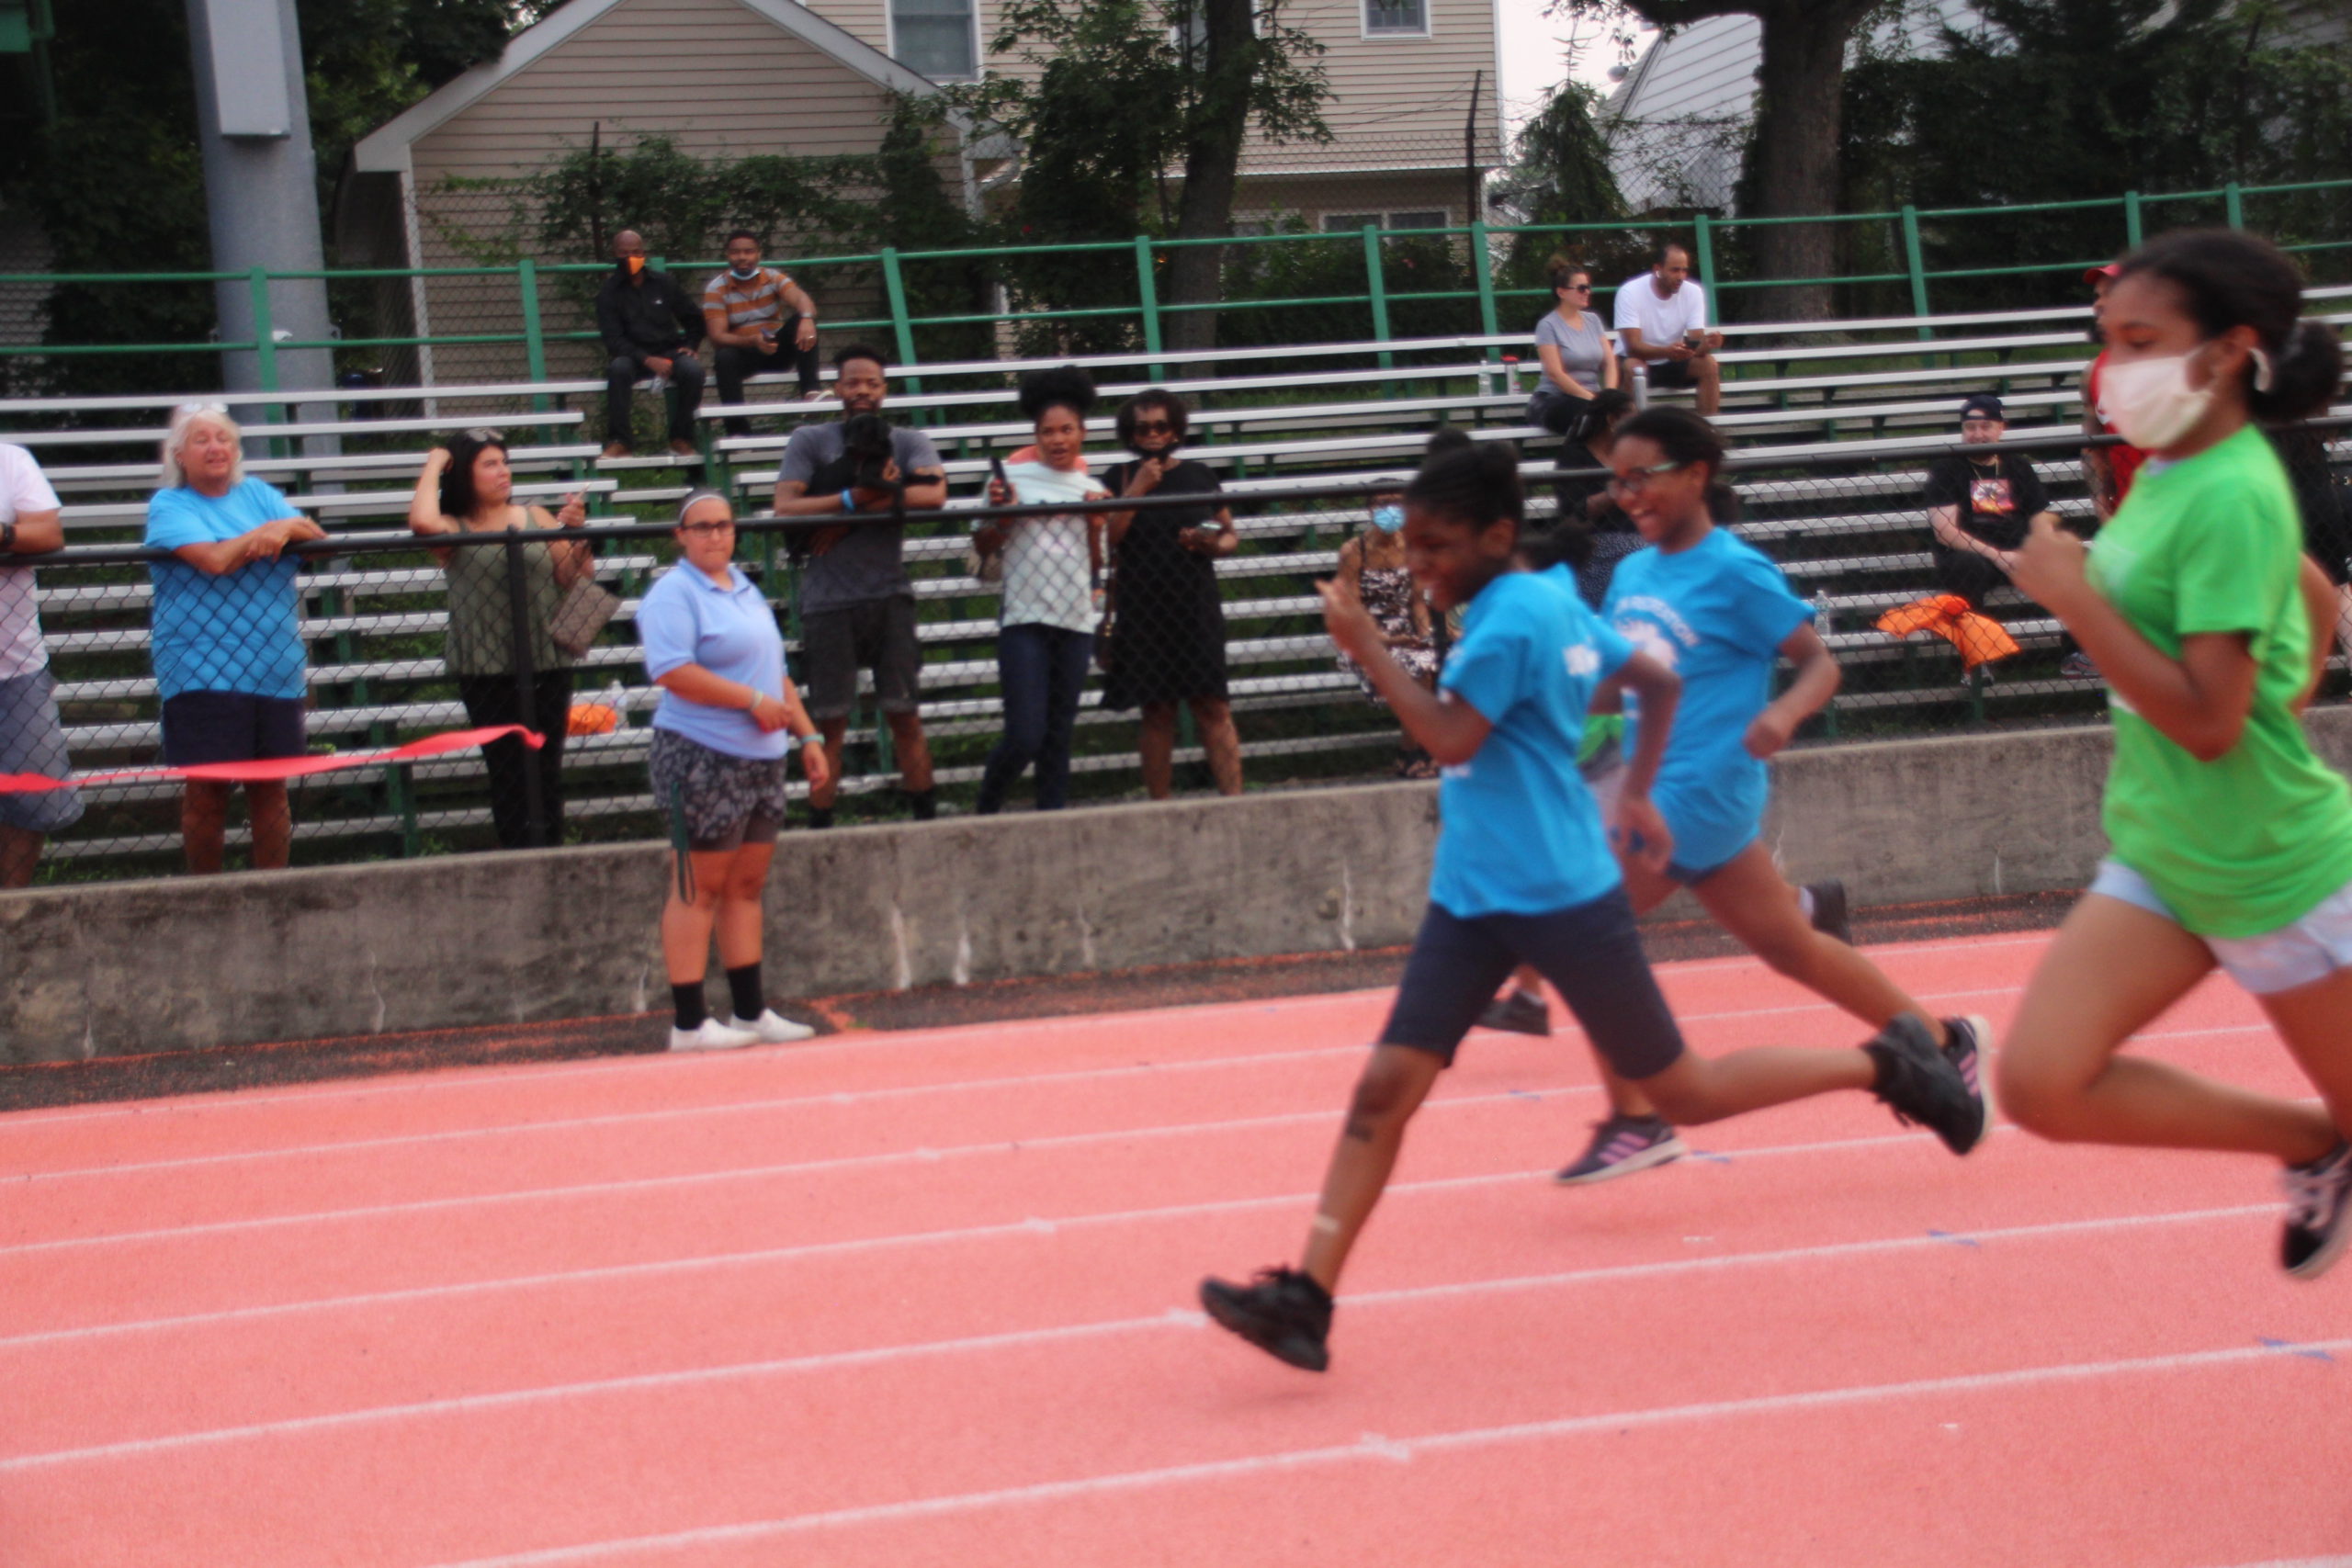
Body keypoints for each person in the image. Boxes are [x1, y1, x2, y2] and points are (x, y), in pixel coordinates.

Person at [1197, 438, 1984, 1373]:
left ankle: (1884, 1065)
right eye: (1412, 544)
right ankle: (1308, 1298)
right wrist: (1639, 787)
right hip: (1472, 899)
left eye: (1438, 546)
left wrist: (1366, 646)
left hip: (1565, 896)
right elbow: (1653, 680)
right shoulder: (1543, 599)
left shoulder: (1510, 622)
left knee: (1685, 1092)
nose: (1420, 564)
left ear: (1498, 534)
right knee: (1384, 1089)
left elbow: (1451, 737)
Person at [1503, 407, 1988, 1183]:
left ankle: (1638, 1115)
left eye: (1643, 476)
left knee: (1583, 924)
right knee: (1793, 946)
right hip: (1661, 786)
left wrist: (1784, 713)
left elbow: (1819, 663)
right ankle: (1944, 1041)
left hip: (1699, 790)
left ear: (1696, 473)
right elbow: (1623, 682)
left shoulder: (1736, 570)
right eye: (1617, 481)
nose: (1628, 494)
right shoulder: (1632, 573)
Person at [2002, 227, 2352, 1280]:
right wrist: (2287, 680)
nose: (2112, 365)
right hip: (2167, 846)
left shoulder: (2232, 489)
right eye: (2107, 338)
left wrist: (2070, 600)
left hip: (2277, 868)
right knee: (2040, 1084)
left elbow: (2206, 722)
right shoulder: (2170, 468)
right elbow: (2310, 593)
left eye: (2140, 340)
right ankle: (2316, 1145)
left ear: (2229, 349)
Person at [639, 491, 829, 1052]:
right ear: (681, 535)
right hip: (700, 754)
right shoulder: (673, 592)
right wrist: (750, 701)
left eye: (723, 525)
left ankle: (750, 1012)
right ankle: (689, 1023)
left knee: (746, 886)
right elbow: (672, 671)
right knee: (696, 888)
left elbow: (775, 672)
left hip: (762, 758)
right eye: (702, 527)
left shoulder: (743, 588)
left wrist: (808, 735)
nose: (715, 536)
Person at [144, 404, 323, 874]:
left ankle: (272, 889)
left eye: (223, 438)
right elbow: (215, 560)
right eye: (201, 439)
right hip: (202, 668)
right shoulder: (170, 505)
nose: (215, 448)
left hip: (274, 665)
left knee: (271, 788)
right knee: (209, 788)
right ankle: (208, 892)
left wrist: (284, 527)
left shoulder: (259, 494)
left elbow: (314, 538)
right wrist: (268, 533)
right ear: (179, 454)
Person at [770, 344, 945, 826]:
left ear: (884, 389)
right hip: (828, 601)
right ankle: (821, 828)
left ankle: (926, 821)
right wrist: (854, 497)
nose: (862, 390)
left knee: (905, 714)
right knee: (830, 723)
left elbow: (934, 494)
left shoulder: (907, 441)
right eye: (852, 382)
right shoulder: (810, 439)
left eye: (872, 382)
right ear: (838, 388)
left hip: (889, 594)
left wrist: (851, 513)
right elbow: (785, 507)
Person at [408, 432, 595, 850]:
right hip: (485, 666)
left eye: (504, 462)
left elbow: (575, 576)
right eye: (490, 464)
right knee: (506, 771)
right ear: (465, 475)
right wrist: (436, 460)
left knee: (547, 767)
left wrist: (578, 534)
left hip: (547, 658)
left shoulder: (536, 516)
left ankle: (551, 855)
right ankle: (517, 858)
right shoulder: (455, 527)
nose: (503, 472)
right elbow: (422, 522)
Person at [973, 367, 1108, 815]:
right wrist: (1003, 517)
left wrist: (1095, 526)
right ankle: (987, 806)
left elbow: (1097, 565)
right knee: (1025, 734)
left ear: (1083, 432)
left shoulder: (1093, 489)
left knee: (1058, 736)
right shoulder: (1010, 480)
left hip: (1075, 619)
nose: (1058, 439)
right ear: (1036, 435)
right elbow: (982, 545)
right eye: (1048, 431)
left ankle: (1052, 819)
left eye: (1067, 429)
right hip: (1024, 618)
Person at [1097, 389, 1243, 800]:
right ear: (1130, 434)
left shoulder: (1199, 475)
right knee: (1157, 711)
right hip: (1142, 608)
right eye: (1142, 428)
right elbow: (1108, 539)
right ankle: (1159, 809)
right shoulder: (1116, 477)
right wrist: (1137, 489)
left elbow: (1230, 534)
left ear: (1176, 429)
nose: (1153, 435)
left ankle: (1235, 804)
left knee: (1212, 706)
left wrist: (1210, 543)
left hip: (1196, 604)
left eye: (1161, 426)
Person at [0, 441, 81, 886]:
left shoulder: (10, 460)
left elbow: (49, 535)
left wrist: (3, 535)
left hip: (17, 667)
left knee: (35, 800)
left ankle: (11, 908)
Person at [1333, 484, 1439, 778]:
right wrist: (1387, 640)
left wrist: (1423, 635)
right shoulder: (1354, 551)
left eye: (1396, 503)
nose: (1389, 510)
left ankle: (1415, 750)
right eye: (1381, 503)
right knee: (1417, 668)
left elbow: (1417, 602)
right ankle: (1416, 752)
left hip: (1405, 626)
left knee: (1436, 658)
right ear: (1369, 509)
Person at [1922, 393, 2061, 611]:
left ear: (2000, 428)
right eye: (1970, 427)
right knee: (1966, 566)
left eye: (1986, 427)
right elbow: (1945, 531)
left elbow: (2040, 517)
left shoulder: (2018, 465)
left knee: (2076, 557)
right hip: (1973, 556)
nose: (1978, 435)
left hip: (2018, 553)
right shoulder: (1946, 468)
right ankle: (1974, 631)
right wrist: (1998, 556)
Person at [594, 229, 706, 460]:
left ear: (644, 253)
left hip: (669, 351)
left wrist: (690, 345)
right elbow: (613, 340)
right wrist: (647, 360)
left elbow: (694, 318)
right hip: (632, 357)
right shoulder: (608, 292)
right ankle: (620, 441)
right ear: (615, 254)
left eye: (636, 252)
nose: (631, 258)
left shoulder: (664, 283)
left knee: (693, 370)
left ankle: (681, 438)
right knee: (618, 369)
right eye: (624, 253)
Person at [704, 231, 822, 434]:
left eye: (749, 251)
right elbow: (717, 337)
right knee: (724, 356)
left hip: (777, 350)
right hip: (745, 354)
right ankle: (738, 433)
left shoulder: (773, 277)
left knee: (803, 322)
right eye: (736, 252)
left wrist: (806, 318)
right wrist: (753, 341)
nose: (742, 257)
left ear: (759, 254)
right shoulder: (716, 288)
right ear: (727, 255)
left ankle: (811, 391)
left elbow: (801, 299)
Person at [1540, 387, 1641, 612]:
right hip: (1595, 545)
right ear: (1612, 419)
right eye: (1631, 418)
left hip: (1638, 540)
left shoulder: (1631, 457)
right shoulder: (1575, 457)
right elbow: (1574, 512)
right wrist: (1614, 492)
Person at [1614, 243, 1724, 417]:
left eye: (1684, 270)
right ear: (1657, 269)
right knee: (1634, 367)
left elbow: (1695, 344)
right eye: (1675, 270)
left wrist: (1707, 344)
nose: (1681, 277)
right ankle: (1629, 428)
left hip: (1672, 359)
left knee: (1709, 364)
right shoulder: (1630, 292)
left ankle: (1707, 428)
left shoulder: (1693, 292)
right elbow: (1633, 347)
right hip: (1639, 359)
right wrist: (1667, 352)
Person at [1526, 261, 1619, 456]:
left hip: (1593, 397)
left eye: (1588, 287)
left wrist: (1608, 395)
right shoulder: (1548, 325)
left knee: (1624, 411)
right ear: (1561, 292)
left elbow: (1610, 362)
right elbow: (1555, 373)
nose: (1587, 292)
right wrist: (1593, 400)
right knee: (1589, 416)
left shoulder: (1593, 320)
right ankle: (1582, 466)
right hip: (1554, 398)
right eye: (1581, 288)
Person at [2081, 263, 2149, 524]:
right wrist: (2101, 505)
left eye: (2110, 294)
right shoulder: (2094, 372)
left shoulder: (2172, 364)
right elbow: (2093, 446)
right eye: (2097, 296)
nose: (2099, 304)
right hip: (2128, 518)